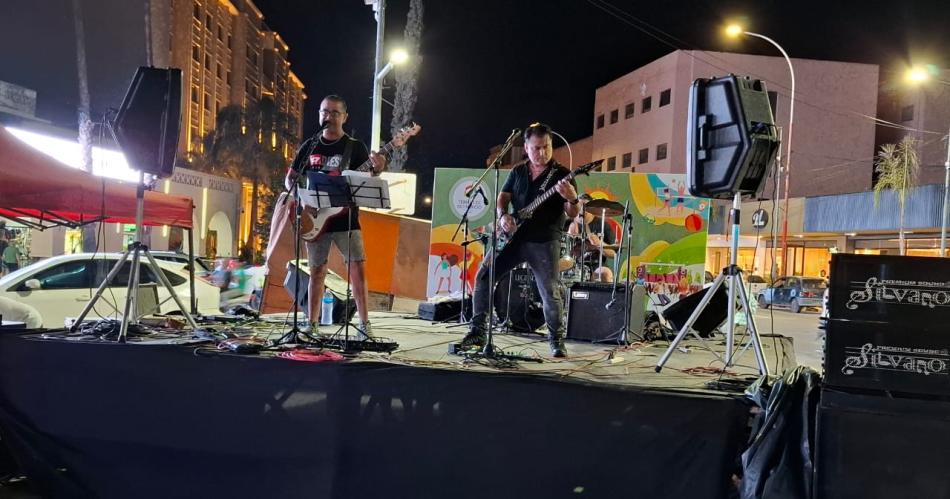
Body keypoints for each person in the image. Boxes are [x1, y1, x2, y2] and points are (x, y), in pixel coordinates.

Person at [461, 123, 580, 357]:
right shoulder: (517, 171)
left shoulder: (562, 175)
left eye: (546, 147)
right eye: (536, 148)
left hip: (544, 241)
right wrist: (502, 215)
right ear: (526, 148)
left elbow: (573, 213)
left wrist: (573, 199)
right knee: (484, 275)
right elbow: (503, 197)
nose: (541, 153)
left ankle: (556, 341)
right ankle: (477, 330)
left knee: (549, 291)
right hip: (513, 238)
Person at [284, 95, 386, 338]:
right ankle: (312, 325)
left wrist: (378, 167)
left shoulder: (354, 146)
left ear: (345, 117)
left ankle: (364, 325)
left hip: (346, 219)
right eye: (324, 112)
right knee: (317, 271)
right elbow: (290, 177)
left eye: (334, 112)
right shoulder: (310, 145)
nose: (328, 116)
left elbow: (369, 177)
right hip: (315, 218)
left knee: (357, 269)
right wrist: (301, 197)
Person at [567, 198, 617, 282]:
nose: (582, 209)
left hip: (597, 265)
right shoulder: (568, 224)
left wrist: (599, 243)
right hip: (573, 264)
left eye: (586, 206)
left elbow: (614, 253)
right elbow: (561, 252)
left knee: (606, 274)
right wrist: (569, 236)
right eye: (580, 206)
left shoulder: (603, 225)